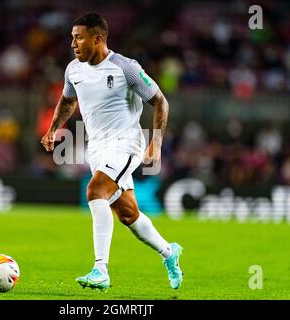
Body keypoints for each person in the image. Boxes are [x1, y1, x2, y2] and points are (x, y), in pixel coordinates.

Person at [41, 13, 183, 291]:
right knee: (128, 214)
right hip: (97, 147)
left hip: (126, 143)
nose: (73, 43)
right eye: (72, 37)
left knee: (95, 191)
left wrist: (156, 143)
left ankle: (100, 270)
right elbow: (68, 101)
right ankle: (169, 252)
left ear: (98, 38)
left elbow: (160, 102)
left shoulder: (125, 68)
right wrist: (53, 128)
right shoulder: (73, 70)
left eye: (78, 37)